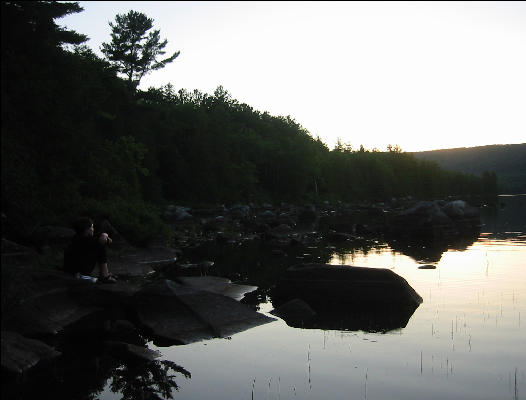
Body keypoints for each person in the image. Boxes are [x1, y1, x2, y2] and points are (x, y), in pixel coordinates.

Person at [63, 217, 117, 283]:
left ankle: (105, 274)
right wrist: (104, 236)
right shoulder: (90, 241)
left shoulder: (76, 238)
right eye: (91, 227)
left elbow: (106, 240)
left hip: (70, 270)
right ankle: (104, 275)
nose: (93, 229)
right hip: (80, 273)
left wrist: (104, 235)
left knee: (100, 243)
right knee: (101, 246)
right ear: (87, 230)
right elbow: (106, 241)